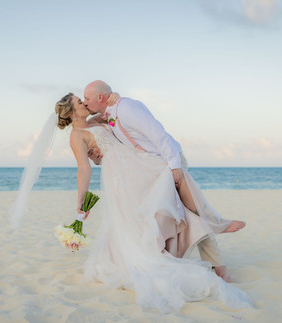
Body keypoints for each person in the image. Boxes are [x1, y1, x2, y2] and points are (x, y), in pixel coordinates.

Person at [54, 92, 252, 312]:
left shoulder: (94, 121)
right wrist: (81, 197)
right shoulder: (76, 136)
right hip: (121, 173)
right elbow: (84, 167)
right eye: (79, 102)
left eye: (84, 100)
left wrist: (115, 99)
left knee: (167, 189)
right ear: (72, 112)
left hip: (135, 162)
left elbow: (115, 123)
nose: (84, 103)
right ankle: (213, 226)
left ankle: (213, 226)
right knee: (150, 204)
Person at [83, 80, 245, 283]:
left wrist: (175, 166)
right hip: (152, 170)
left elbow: (158, 134)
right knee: (173, 216)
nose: (85, 102)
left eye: (87, 98)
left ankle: (218, 236)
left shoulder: (127, 108)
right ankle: (211, 258)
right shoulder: (111, 114)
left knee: (194, 213)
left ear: (100, 97)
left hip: (168, 163)